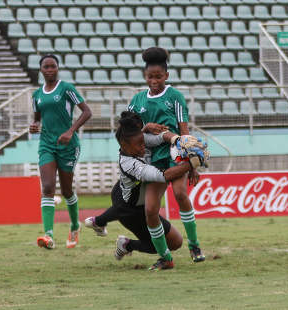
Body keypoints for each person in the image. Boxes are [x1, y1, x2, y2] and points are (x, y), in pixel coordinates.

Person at [85, 111, 207, 270]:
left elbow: (161, 137)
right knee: (156, 245)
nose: (144, 147)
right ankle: (127, 244)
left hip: (139, 202)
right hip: (130, 210)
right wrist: (192, 163)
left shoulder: (137, 140)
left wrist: (177, 139)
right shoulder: (130, 164)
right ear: (124, 146)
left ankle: (105, 228)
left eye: (143, 142)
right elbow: (164, 175)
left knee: (176, 242)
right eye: (140, 145)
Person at [128, 47, 205, 269]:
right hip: (152, 160)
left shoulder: (175, 96)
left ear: (166, 76)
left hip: (174, 155)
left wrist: (191, 162)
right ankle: (166, 257)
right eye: (150, 76)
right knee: (150, 210)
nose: (154, 80)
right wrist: (144, 126)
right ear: (145, 76)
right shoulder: (137, 100)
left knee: (180, 193)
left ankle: (194, 244)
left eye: (158, 76)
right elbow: (127, 130)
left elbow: (184, 130)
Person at [29, 54, 92, 249]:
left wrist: (70, 131)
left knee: (66, 190)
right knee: (47, 187)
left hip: (68, 145)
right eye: (46, 67)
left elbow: (87, 111)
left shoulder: (66, 89)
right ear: (41, 70)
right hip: (46, 144)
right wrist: (35, 124)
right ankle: (48, 236)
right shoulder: (37, 95)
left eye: (53, 66)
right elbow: (38, 117)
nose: (49, 69)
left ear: (57, 68)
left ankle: (74, 226)